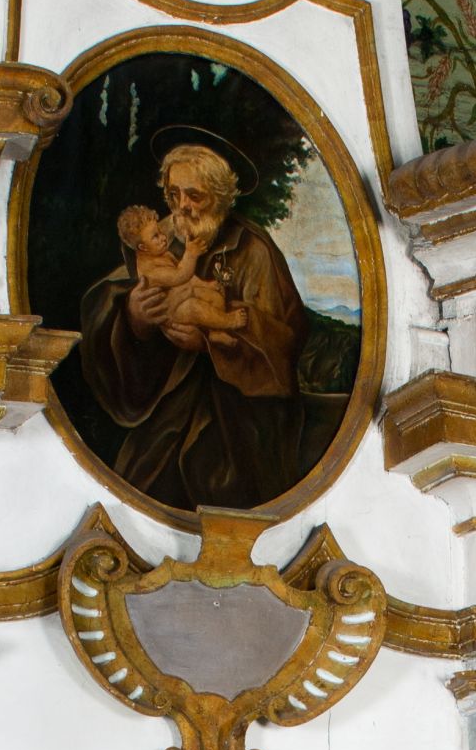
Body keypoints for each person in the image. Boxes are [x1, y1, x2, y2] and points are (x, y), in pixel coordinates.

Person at [67, 142, 325, 514]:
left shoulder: (252, 249)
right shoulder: (158, 236)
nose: (182, 206)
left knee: (226, 486)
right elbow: (110, 300)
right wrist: (135, 316)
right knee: (140, 487)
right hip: (167, 411)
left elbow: (283, 340)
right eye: (174, 194)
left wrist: (210, 344)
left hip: (235, 415)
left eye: (194, 196)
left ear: (219, 196)